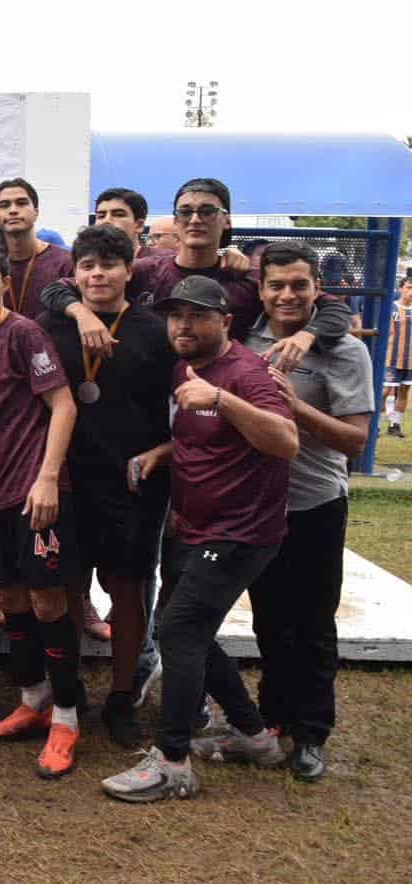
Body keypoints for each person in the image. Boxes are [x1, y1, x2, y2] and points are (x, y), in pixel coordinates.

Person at [102, 277, 298, 802]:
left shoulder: (246, 373)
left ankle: (172, 761)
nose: (183, 325)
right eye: (175, 316)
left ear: (226, 322)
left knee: (181, 630)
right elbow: (201, 438)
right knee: (183, 628)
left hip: (240, 532)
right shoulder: (183, 369)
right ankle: (255, 736)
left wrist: (222, 399)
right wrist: (159, 455)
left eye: (197, 315)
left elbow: (285, 441)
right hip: (192, 526)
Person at [36, 225, 176, 748]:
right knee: (69, 587)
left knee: (127, 593)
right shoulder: (48, 324)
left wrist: (164, 457)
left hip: (134, 484)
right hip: (69, 482)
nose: (97, 274)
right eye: (88, 265)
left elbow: (178, 406)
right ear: (74, 272)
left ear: (129, 267)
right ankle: (69, 694)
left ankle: (121, 698)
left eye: (108, 265)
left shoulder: (155, 330)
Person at [0, 241, 82, 779]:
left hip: (35, 495)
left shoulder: (25, 333)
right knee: (8, 598)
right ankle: (34, 700)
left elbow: (64, 404)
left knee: (48, 602)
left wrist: (49, 477)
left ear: (6, 282)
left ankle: (68, 718)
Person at [244, 243, 374, 781]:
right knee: (269, 618)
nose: (287, 295)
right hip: (258, 505)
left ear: (317, 289)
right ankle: (274, 716)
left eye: (299, 284)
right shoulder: (247, 338)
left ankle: (312, 732)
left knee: (314, 622)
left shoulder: (344, 351)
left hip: (315, 504)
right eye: (276, 285)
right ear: (262, 291)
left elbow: (355, 441)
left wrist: (295, 408)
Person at [44, 178, 351, 350]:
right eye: (185, 211)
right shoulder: (143, 272)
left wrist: (306, 335)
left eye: (207, 211)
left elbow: (335, 309)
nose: (195, 219)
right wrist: (81, 313)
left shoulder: (250, 279)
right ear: (174, 221)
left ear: (226, 219)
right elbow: (57, 290)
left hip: (223, 403)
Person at [0, 178, 72, 323]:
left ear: (36, 212)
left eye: (21, 203)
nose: (13, 210)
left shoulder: (66, 262)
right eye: (4, 205)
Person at [384, 275, 412, 436]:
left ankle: (395, 425)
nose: (411, 291)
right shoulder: (391, 308)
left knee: (404, 391)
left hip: (410, 360)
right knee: (385, 391)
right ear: (401, 288)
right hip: (390, 358)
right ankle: (377, 425)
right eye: (409, 287)